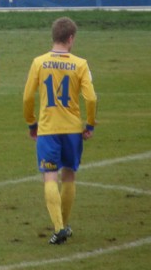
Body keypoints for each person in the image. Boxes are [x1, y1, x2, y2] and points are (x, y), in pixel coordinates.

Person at [22, 17, 97, 245]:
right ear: (71, 38)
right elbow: (91, 98)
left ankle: (59, 227)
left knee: (50, 177)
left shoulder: (39, 62)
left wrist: (31, 123)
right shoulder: (80, 64)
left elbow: (27, 97)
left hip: (48, 129)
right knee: (69, 176)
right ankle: (63, 225)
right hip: (72, 129)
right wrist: (90, 124)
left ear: (54, 37)